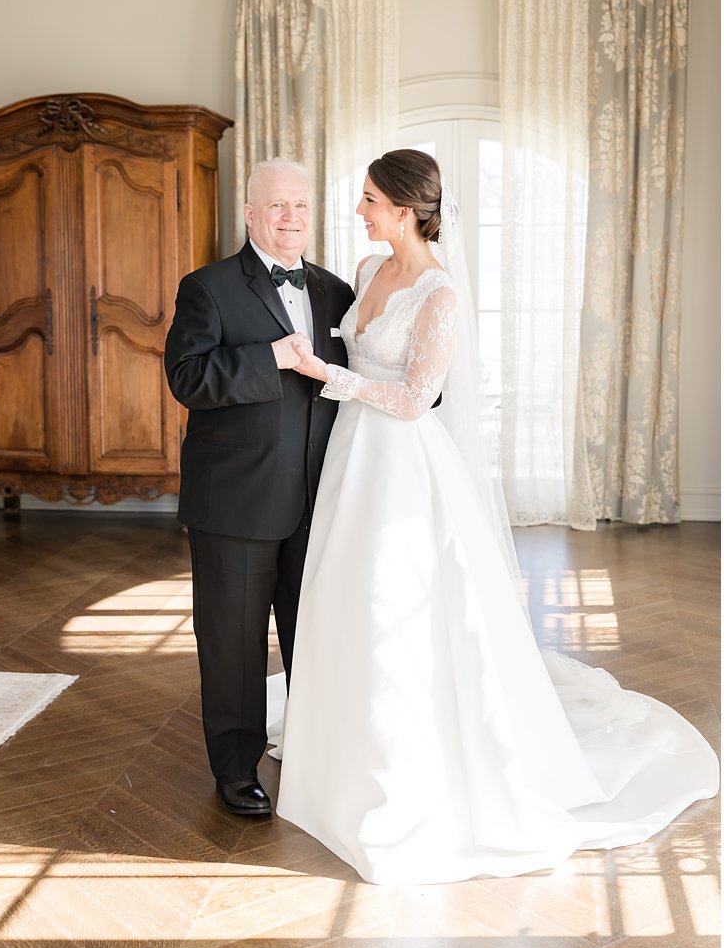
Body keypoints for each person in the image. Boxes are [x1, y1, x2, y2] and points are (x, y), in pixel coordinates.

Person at [274, 148, 719, 885]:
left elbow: (418, 399)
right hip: (351, 457)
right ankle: (339, 748)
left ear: (408, 210)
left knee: (396, 607)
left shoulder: (441, 295)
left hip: (403, 467)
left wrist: (329, 375)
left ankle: (405, 767)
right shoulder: (364, 272)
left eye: (371, 201)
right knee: (339, 597)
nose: (359, 212)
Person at [162, 158, 355, 817]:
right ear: (249, 213)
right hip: (237, 503)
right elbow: (187, 378)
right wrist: (267, 357)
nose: (291, 216)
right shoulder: (207, 287)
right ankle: (236, 770)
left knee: (317, 634)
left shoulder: (336, 292)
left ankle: (316, 752)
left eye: (300, 205)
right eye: (276, 205)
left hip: (321, 500)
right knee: (234, 644)